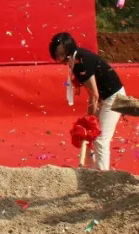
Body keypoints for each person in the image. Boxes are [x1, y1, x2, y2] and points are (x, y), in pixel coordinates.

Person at [49, 32, 126, 171]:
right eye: (57, 54)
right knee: (88, 135)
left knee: (101, 139)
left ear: (68, 50)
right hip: (103, 98)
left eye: (61, 54)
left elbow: (94, 94)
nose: (59, 59)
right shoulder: (75, 59)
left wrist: (90, 119)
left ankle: (102, 175)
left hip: (114, 98)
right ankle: (90, 170)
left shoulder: (80, 62)